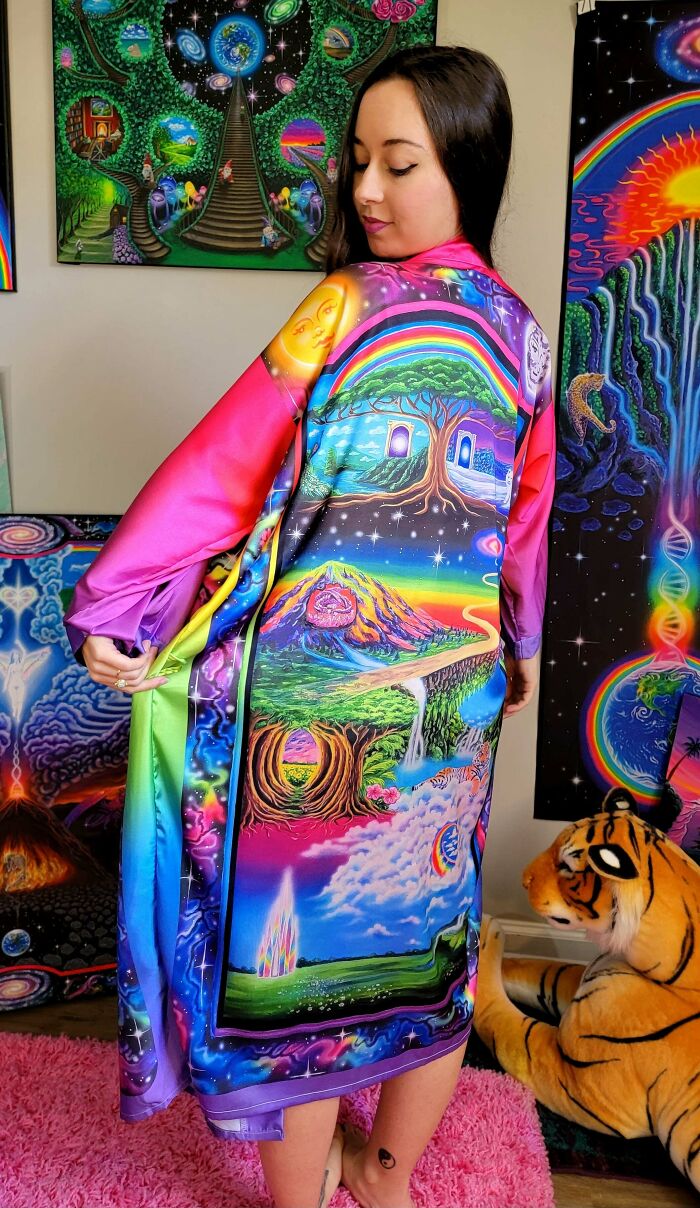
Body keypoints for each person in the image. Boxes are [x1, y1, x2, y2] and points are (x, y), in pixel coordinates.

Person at [65, 45, 555, 1208]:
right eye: (357, 160)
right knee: (428, 941)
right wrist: (518, 645)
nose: (366, 189)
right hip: (451, 696)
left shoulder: (345, 306)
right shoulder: (524, 335)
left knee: (294, 969)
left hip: (307, 693)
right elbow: (524, 522)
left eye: (400, 162)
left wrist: (115, 598)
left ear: (467, 166)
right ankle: (384, 1176)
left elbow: (220, 473)